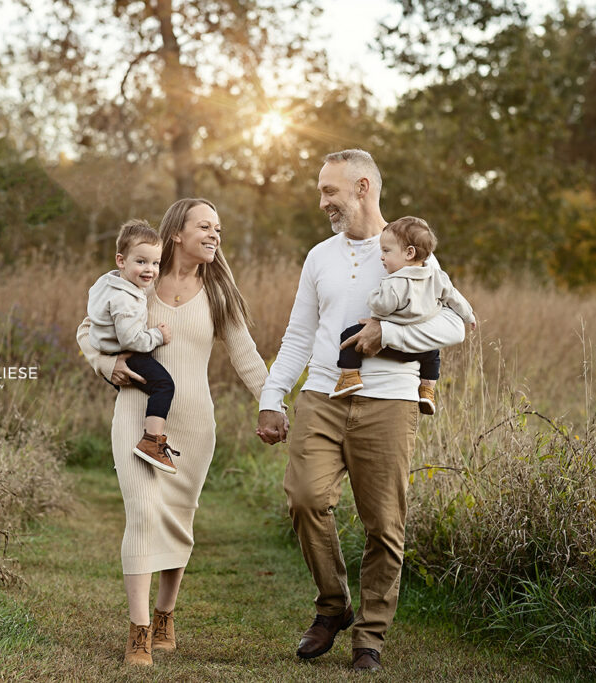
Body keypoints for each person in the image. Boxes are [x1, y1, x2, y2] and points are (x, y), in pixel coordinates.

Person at [256, 149, 467, 672]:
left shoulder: (410, 251)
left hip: (390, 402)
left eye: (331, 191)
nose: (323, 201)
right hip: (323, 395)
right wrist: (271, 395)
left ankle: (369, 637)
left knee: (384, 525)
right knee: (305, 498)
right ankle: (333, 606)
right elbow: (300, 334)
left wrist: (387, 333)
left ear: (364, 187)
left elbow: (453, 327)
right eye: (321, 190)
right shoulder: (319, 256)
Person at [76, 198, 268, 667]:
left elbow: (245, 354)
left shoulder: (218, 292)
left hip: (195, 422)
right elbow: (88, 330)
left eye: (218, 228)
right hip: (136, 414)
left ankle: (165, 614)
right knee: (142, 510)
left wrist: (272, 403)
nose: (215, 235)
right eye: (205, 226)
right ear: (177, 232)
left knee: (179, 517)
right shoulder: (141, 277)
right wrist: (108, 363)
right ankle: (138, 631)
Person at [330, 216, 476, 415]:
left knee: (349, 336)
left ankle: (350, 378)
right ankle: (427, 389)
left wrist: (374, 295)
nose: (381, 257)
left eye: (386, 251)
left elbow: (383, 307)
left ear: (409, 253)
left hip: (390, 342)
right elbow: (454, 298)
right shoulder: (437, 276)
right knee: (434, 355)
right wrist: (469, 316)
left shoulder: (395, 281)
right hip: (419, 347)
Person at [86, 219, 180, 473]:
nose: (149, 269)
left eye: (155, 263)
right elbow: (131, 339)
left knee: (136, 404)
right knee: (163, 385)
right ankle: (152, 443)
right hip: (126, 355)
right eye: (141, 262)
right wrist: (157, 336)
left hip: (111, 351)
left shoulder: (109, 283)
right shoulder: (124, 300)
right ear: (121, 261)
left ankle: (127, 458)